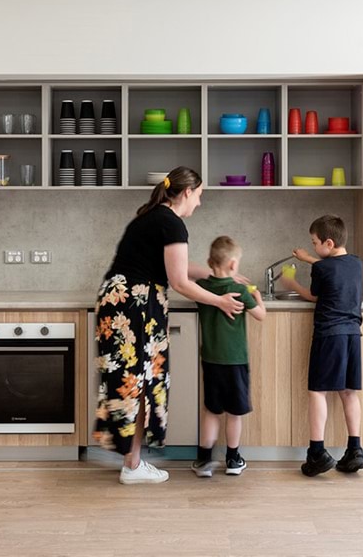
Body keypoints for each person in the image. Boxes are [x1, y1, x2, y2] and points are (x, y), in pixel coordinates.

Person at [93, 166, 246, 485]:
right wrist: (220, 300)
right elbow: (178, 280)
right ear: (187, 192)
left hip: (123, 303)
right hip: (134, 309)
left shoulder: (154, 216)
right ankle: (132, 466)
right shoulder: (172, 223)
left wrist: (214, 275)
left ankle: (132, 464)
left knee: (133, 385)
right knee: (139, 385)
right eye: (200, 195)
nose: (200, 203)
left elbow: (173, 265)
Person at [279, 214, 363, 476]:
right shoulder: (356, 264)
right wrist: (309, 259)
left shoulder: (321, 269)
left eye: (315, 242)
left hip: (329, 335)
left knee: (318, 391)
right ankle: (355, 450)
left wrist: (291, 283)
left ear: (328, 243)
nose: (313, 246)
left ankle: (317, 452)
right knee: (349, 392)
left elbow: (313, 295)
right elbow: (335, 269)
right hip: (353, 335)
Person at [191, 236, 266, 477]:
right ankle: (233, 459)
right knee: (235, 412)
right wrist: (258, 299)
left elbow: (186, 277)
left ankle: (204, 461)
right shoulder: (240, 290)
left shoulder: (202, 287)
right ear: (234, 265)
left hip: (211, 361)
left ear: (209, 261)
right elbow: (260, 316)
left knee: (211, 410)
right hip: (236, 361)